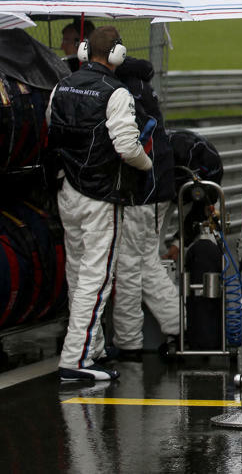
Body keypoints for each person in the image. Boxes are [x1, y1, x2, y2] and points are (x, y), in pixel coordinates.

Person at [46, 26, 153, 381]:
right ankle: (75, 359)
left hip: (68, 191)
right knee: (98, 276)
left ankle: (91, 351)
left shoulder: (62, 84)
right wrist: (147, 163)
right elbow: (126, 147)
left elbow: (52, 127)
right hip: (102, 195)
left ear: (83, 50)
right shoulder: (117, 91)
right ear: (118, 55)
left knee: (77, 273)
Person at [110, 51, 180, 358]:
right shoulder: (136, 83)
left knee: (132, 264)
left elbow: (128, 145)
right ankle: (180, 326)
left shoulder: (124, 91)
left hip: (144, 190)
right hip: (156, 188)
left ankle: (130, 343)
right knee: (144, 260)